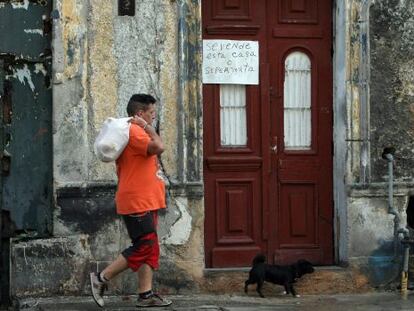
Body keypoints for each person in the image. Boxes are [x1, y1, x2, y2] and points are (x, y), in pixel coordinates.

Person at [90, 94, 171, 308]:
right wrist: (147, 127)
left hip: (146, 199)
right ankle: (101, 278)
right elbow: (159, 147)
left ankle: (146, 295)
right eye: (151, 113)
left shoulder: (134, 132)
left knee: (150, 247)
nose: (153, 117)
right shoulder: (136, 132)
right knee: (145, 245)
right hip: (138, 200)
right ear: (140, 114)